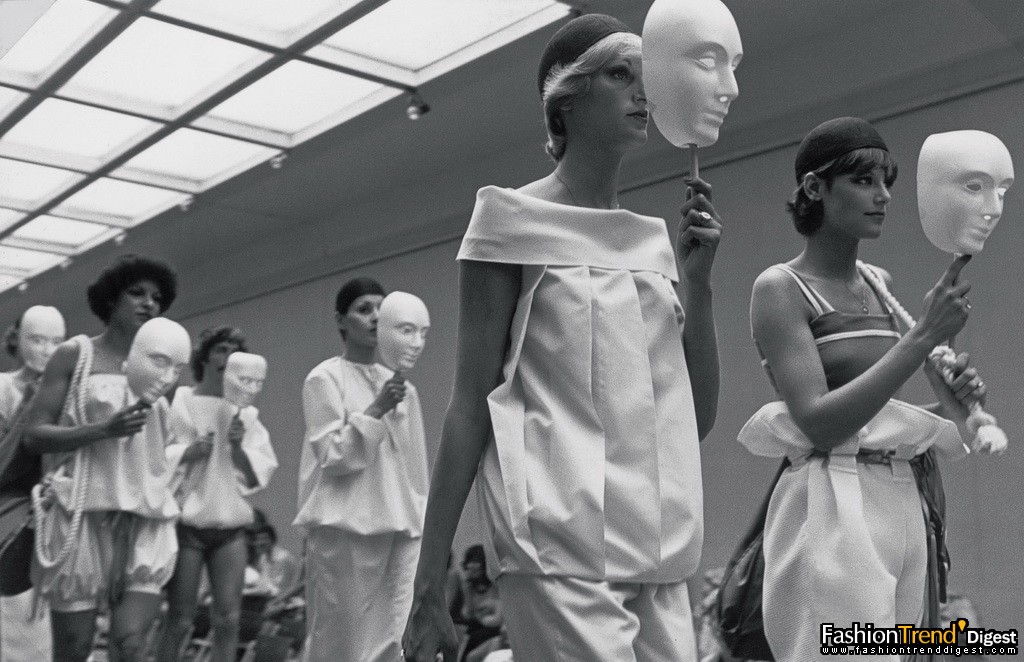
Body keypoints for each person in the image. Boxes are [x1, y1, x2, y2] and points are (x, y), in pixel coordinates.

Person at [403, 13, 723, 661]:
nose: (644, 92)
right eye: (620, 74)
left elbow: (697, 418)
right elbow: (469, 405)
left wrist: (698, 282)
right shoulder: (508, 220)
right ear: (565, 100)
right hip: (558, 548)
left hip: (660, 550)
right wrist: (429, 581)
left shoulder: (651, 241)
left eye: (646, 77)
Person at [747, 117, 987, 660]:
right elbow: (820, 422)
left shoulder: (880, 284)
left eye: (886, 182)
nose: (883, 196)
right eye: (863, 180)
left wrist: (954, 404)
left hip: (900, 496)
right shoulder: (781, 287)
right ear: (815, 188)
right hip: (829, 503)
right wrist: (923, 338)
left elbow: (877, 418)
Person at [24, 254, 183, 662]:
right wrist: (102, 430)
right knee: (75, 648)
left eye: (157, 298)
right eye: (137, 293)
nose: (148, 303)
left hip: (144, 515)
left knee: (131, 644)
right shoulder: (75, 355)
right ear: (111, 299)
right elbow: (34, 435)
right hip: (81, 513)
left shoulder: (165, 366)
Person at [294, 277, 429, 662]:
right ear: (341, 320)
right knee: (342, 640)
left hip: (400, 527)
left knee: (393, 638)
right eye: (363, 309)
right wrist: (376, 409)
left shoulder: (405, 389)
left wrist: (422, 518)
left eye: (381, 310)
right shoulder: (323, 378)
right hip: (344, 529)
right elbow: (333, 457)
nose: (374, 317)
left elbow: (415, 468)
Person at [156, 327, 278, 662]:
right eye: (221, 349)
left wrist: (237, 449)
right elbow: (156, 457)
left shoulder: (246, 414)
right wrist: (187, 452)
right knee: (180, 619)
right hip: (187, 525)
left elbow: (257, 474)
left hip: (230, 526)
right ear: (205, 357)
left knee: (228, 620)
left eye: (235, 351)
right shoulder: (180, 402)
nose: (227, 357)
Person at [0, 306, 65, 662]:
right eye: (37, 340)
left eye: (56, 342)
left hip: (55, 513)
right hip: (12, 514)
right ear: (19, 340)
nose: (46, 350)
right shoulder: (3, 388)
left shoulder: (68, 390)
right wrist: (29, 407)